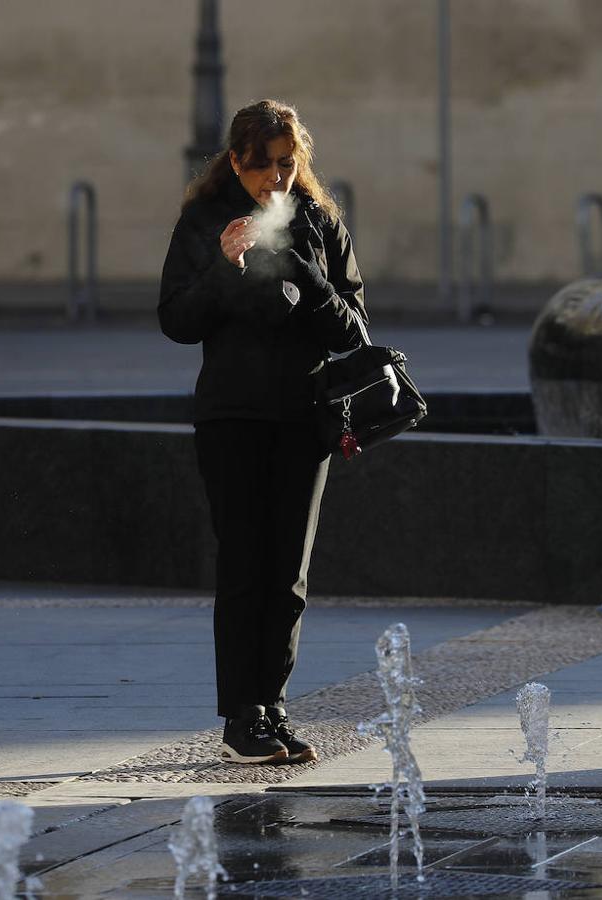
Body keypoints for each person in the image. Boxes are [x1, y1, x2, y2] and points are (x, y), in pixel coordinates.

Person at [157, 99, 366, 765]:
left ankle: (272, 705)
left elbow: (353, 331)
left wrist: (303, 272)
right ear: (236, 162)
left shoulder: (318, 220)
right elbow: (175, 320)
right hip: (232, 416)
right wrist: (223, 268)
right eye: (261, 167)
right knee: (243, 566)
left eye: (286, 163)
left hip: (303, 418)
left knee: (289, 576)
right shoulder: (204, 219)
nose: (274, 178)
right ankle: (240, 715)